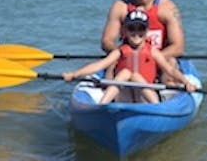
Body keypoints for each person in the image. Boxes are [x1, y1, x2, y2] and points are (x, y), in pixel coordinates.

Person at [63, 11, 196, 104]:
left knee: (135, 76)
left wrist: (186, 82)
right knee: (125, 73)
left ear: (147, 31)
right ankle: (102, 105)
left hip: (146, 100)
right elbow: (99, 65)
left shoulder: (153, 51)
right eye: (132, 28)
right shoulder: (120, 51)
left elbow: (170, 70)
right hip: (124, 97)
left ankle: (158, 108)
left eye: (141, 29)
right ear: (125, 31)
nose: (136, 33)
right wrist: (75, 74)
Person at [101, 0, 184, 83]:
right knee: (111, 64)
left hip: (159, 60)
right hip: (128, 59)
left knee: (171, 62)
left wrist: (149, 57)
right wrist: (122, 54)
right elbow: (106, 41)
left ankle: (166, 95)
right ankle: (109, 95)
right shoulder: (120, 7)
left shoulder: (167, 8)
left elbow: (178, 47)